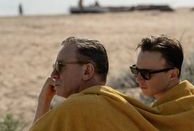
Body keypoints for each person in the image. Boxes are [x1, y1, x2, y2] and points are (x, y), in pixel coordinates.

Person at [29, 36, 157, 131]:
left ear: (87, 71)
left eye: (60, 66)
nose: (53, 74)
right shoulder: (122, 103)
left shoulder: (75, 108)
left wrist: (43, 102)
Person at [129, 35, 194, 131]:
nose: (138, 79)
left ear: (172, 75)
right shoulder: (161, 111)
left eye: (146, 73)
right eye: (136, 70)